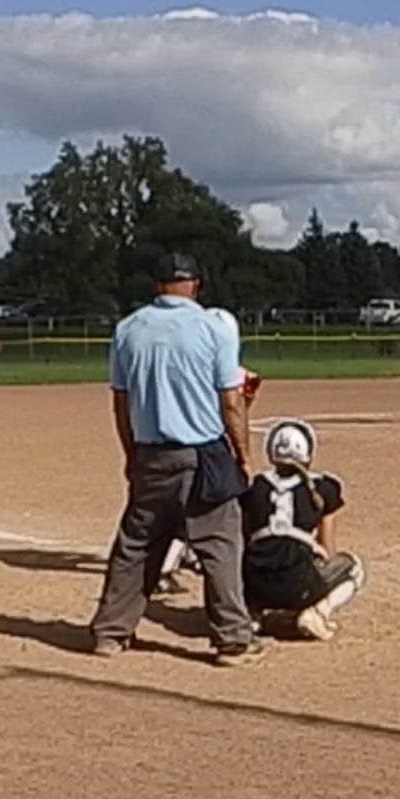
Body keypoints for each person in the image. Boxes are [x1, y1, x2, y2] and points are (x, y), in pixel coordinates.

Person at [89, 253, 264, 664]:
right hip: (204, 454)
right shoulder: (213, 327)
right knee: (220, 544)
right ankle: (233, 639)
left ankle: (110, 633)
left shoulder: (128, 329)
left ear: (156, 285)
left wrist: (132, 455)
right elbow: (231, 402)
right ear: (195, 284)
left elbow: (121, 402)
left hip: (151, 453)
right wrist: (243, 456)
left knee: (136, 545)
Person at [154, 306, 256, 593]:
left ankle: (187, 556)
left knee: (187, 505)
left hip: (176, 443)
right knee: (207, 508)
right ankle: (168, 566)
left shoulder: (184, 366)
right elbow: (234, 412)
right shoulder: (233, 373)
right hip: (210, 447)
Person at [240, 419, 366, 641]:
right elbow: (328, 548)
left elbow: (245, 538)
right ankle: (318, 613)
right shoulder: (323, 488)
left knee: (250, 560)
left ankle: (252, 614)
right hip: (298, 585)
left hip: (255, 585)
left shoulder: (255, 487)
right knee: (353, 567)